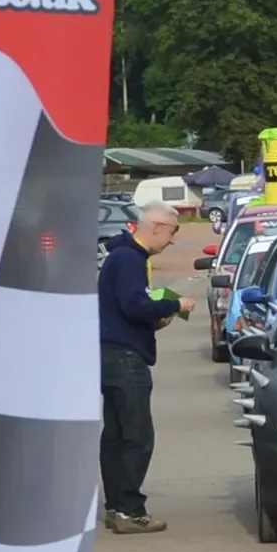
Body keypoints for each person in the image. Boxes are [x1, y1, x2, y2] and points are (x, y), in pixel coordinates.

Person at [98, 203, 193, 534]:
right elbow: (134, 305)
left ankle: (116, 507)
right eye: (172, 232)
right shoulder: (128, 259)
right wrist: (174, 305)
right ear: (155, 226)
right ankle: (129, 509)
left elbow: (126, 311)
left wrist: (156, 318)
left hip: (110, 353)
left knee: (116, 435)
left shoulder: (122, 257)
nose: (171, 241)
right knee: (136, 436)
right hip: (124, 359)